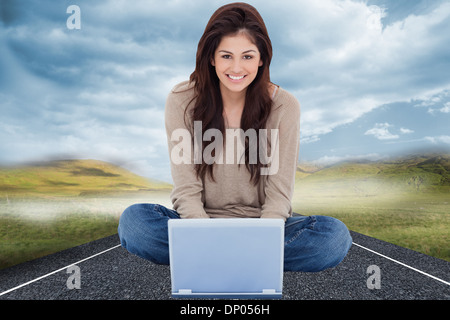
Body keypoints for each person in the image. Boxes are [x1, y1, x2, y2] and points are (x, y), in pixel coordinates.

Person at [118, 2, 352, 272]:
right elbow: (186, 190)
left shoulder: (285, 106)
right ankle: (246, 261)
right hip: (199, 224)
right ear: (211, 57)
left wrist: (262, 239)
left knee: (333, 238)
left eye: (248, 56)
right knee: (135, 223)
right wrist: (203, 235)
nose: (237, 68)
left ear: (262, 58)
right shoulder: (182, 100)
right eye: (226, 56)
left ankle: (211, 259)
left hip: (263, 226)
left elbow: (278, 197)